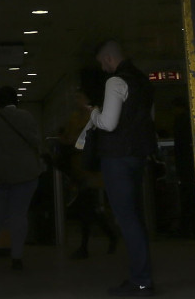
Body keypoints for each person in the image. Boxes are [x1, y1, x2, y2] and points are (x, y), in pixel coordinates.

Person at [76, 40, 155, 296]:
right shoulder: (143, 81)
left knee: (126, 218)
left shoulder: (115, 82)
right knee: (136, 217)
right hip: (138, 155)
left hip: (117, 157)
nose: (103, 67)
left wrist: (93, 113)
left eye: (102, 62)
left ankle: (141, 280)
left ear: (109, 58)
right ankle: (143, 277)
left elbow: (108, 124)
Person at [0, 85, 44, 272]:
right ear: (16, 101)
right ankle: (17, 257)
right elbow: (37, 142)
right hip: (25, 174)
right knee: (19, 216)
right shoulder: (26, 117)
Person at [60, 79, 116, 261]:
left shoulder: (91, 116)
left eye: (79, 97)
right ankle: (109, 235)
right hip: (83, 169)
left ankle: (88, 244)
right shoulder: (77, 117)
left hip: (89, 170)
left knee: (86, 207)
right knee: (88, 207)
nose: (77, 100)